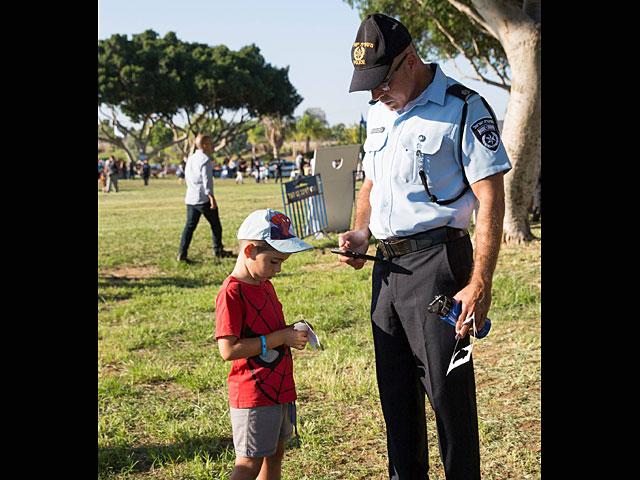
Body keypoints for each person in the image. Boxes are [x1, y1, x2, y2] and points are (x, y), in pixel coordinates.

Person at [339, 13, 512, 480]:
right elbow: (370, 184)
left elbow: (490, 199)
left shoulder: (463, 107)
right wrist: (361, 232)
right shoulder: (379, 112)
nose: (376, 93)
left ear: (410, 61)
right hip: (386, 272)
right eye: (368, 85)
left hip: (439, 267)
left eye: (382, 81)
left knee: (449, 403)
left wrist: (480, 282)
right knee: (396, 400)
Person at [215, 209, 313, 480]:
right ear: (248, 251)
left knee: (275, 456)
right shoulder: (232, 292)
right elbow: (228, 350)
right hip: (254, 395)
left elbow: (268, 330)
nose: (278, 269)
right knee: (249, 464)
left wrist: (289, 331)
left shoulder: (264, 284)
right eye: (273, 261)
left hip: (280, 389)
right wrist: (281, 337)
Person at [177, 134, 233, 262]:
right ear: (205, 145)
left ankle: (182, 253)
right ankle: (218, 250)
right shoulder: (205, 160)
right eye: (211, 143)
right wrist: (211, 197)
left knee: (189, 227)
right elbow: (207, 181)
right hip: (203, 199)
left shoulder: (191, 159)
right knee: (216, 225)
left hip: (191, 197)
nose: (212, 146)